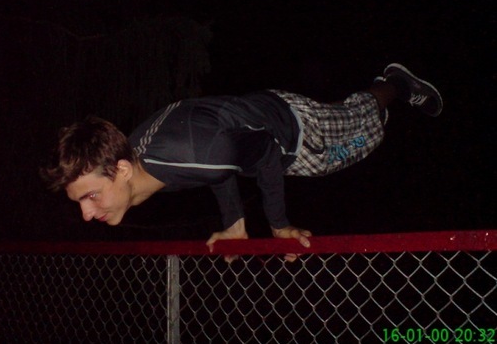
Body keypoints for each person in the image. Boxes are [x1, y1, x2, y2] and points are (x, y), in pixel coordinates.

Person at [41, 63, 442, 261]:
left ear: (122, 171)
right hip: (259, 115)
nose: (86, 213)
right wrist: (235, 224)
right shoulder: (138, 155)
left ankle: (395, 84)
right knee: (351, 122)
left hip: (294, 129)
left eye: (90, 196)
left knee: (358, 133)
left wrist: (279, 225)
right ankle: (379, 97)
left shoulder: (188, 156)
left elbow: (261, 151)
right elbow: (217, 164)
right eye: (81, 201)